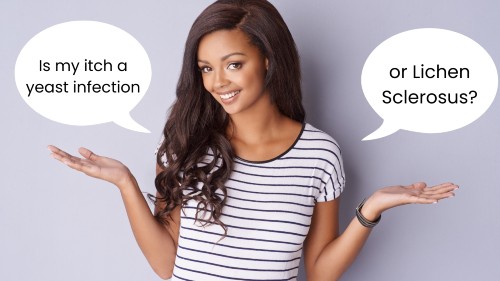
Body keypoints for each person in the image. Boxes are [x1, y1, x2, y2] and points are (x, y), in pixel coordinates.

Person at [48, 0, 458, 280]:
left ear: (267, 59)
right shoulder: (184, 144)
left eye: (234, 64)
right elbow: (166, 265)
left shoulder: (320, 155)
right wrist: (125, 183)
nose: (218, 82)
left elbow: (318, 271)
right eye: (206, 68)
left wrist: (371, 208)